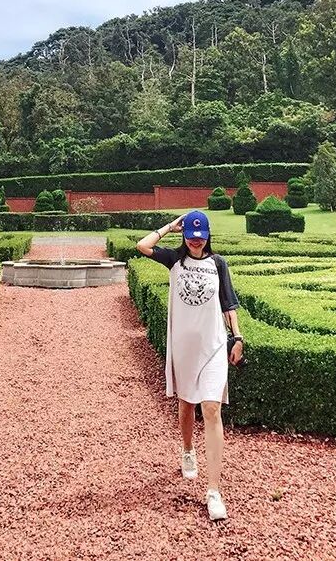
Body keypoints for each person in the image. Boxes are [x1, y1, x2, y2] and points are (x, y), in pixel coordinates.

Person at [136, 210, 243, 521]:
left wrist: (237, 337)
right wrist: (169, 226)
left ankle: (214, 491)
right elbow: (142, 246)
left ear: (208, 236)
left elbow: (228, 304)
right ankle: (187, 450)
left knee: (211, 408)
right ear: (185, 236)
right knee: (186, 405)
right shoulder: (174, 260)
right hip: (185, 348)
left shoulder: (218, 263)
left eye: (201, 236)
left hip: (213, 346)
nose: (196, 241)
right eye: (191, 236)